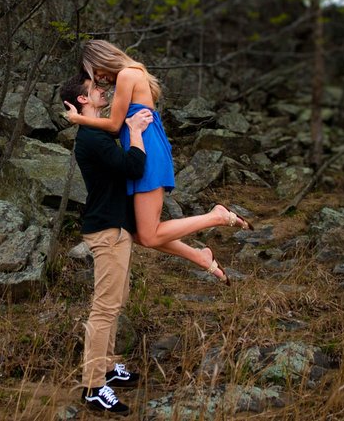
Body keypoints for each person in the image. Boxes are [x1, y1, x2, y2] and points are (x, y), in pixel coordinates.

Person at [63, 39, 252, 282]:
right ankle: (201, 257)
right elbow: (114, 129)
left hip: (147, 151)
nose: (101, 79)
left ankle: (217, 216)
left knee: (150, 235)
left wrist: (78, 120)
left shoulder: (127, 75)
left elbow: (113, 125)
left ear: (102, 60)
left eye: (96, 72)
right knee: (142, 234)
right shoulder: (133, 73)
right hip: (146, 145)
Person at [60, 72, 149, 416]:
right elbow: (133, 167)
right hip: (107, 230)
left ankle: (109, 366)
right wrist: (137, 132)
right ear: (83, 99)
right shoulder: (91, 139)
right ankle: (94, 386)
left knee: (117, 299)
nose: (103, 91)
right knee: (104, 308)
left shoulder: (97, 132)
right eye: (95, 89)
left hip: (115, 227)